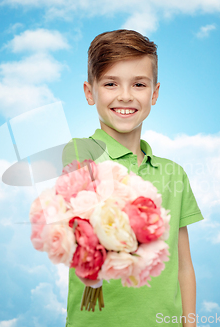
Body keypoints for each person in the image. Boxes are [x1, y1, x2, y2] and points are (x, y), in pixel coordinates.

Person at [62, 29, 204, 327]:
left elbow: (183, 265)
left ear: (154, 93)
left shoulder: (172, 173)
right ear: (90, 92)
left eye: (138, 84)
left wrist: (189, 323)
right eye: (111, 83)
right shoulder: (80, 151)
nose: (125, 95)